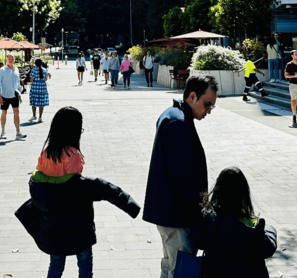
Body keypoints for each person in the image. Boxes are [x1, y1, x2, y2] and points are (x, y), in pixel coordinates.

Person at [24, 107, 141, 278]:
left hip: (52, 228)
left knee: (55, 264)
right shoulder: (73, 156)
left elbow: (47, 185)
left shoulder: (45, 153)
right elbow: (73, 186)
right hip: (77, 226)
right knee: (85, 262)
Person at [144, 75, 218, 278]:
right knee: (182, 271)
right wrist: (202, 208)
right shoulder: (178, 121)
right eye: (207, 104)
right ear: (192, 96)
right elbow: (182, 175)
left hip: (170, 212)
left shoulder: (173, 114)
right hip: (176, 214)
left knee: (171, 268)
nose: (209, 111)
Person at [189, 167, 278, 278]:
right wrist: (270, 230)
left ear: (218, 191)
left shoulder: (208, 220)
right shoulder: (252, 225)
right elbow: (267, 250)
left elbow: (195, 241)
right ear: (244, 194)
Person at [0, 54, 27, 141]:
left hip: (15, 94)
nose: (10, 60)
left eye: (12, 59)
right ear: (6, 60)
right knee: (4, 113)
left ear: (14, 60)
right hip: (5, 95)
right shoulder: (2, 70)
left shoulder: (16, 69)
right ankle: (3, 132)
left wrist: (19, 95)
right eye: (9, 59)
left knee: (16, 113)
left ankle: (18, 132)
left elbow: (17, 84)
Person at [29, 57, 51, 123]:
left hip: (35, 88)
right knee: (41, 103)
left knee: (34, 102)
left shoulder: (33, 70)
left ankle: (34, 115)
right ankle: (40, 117)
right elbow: (46, 79)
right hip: (43, 88)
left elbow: (31, 79)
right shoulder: (45, 70)